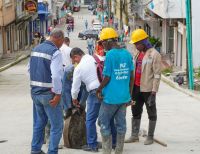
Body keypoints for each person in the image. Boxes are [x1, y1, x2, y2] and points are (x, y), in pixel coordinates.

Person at [70, 48, 116, 152]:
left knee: (90, 120)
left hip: (94, 93)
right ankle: (114, 143)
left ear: (76, 56)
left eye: (74, 60)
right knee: (109, 118)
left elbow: (75, 87)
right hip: (107, 91)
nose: (74, 62)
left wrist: (74, 98)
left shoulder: (79, 68)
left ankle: (92, 144)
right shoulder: (96, 57)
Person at [96, 27, 134, 154]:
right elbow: (131, 77)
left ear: (108, 41)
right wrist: (129, 95)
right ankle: (118, 151)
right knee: (121, 125)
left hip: (110, 98)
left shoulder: (110, 55)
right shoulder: (127, 54)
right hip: (123, 98)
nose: (102, 45)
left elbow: (107, 77)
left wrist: (99, 89)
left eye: (102, 42)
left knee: (103, 122)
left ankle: (106, 151)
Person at [29, 29, 64, 154]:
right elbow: (56, 76)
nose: (62, 44)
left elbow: (29, 69)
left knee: (39, 123)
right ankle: (52, 151)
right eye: (62, 41)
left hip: (35, 93)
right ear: (58, 38)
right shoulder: (55, 52)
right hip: (49, 95)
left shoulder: (35, 49)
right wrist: (58, 93)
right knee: (57, 125)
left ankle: (35, 150)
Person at [125, 29, 161, 145]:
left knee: (151, 112)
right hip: (136, 88)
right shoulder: (138, 53)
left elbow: (157, 75)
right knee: (135, 111)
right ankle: (134, 135)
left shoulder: (154, 54)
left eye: (136, 43)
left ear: (143, 42)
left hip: (148, 89)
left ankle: (150, 136)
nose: (135, 45)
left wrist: (154, 92)